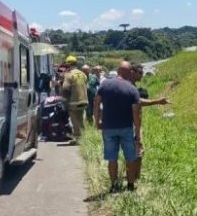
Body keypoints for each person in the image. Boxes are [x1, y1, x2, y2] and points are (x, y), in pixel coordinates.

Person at [94, 62, 142, 193]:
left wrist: (97, 121)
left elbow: (96, 103)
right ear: (129, 72)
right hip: (126, 128)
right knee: (130, 158)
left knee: (112, 158)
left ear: (118, 70)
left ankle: (114, 185)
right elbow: (136, 114)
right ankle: (130, 185)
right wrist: (137, 132)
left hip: (108, 127)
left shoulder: (105, 85)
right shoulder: (132, 89)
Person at [61, 56, 89, 142]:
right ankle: (83, 137)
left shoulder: (69, 75)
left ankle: (78, 138)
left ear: (68, 65)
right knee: (80, 119)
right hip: (84, 100)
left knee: (75, 120)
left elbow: (65, 88)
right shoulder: (82, 74)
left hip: (74, 102)